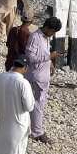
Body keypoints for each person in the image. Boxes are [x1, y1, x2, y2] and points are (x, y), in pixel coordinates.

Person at [24, 17, 62, 145]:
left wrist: (50, 63)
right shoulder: (35, 37)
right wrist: (49, 56)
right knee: (37, 105)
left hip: (43, 76)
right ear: (48, 28)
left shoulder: (46, 38)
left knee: (38, 104)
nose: (53, 34)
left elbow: (43, 54)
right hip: (36, 77)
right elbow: (30, 57)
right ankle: (37, 132)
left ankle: (32, 129)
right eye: (53, 31)